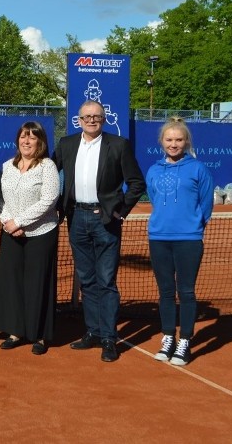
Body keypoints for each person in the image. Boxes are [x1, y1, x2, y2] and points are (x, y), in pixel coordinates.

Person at [52, 100, 145, 362]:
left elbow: (136, 183)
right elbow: (49, 173)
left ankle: (108, 338)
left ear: (103, 120)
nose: (92, 120)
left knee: (106, 281)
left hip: (105, 220)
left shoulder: (119, 145)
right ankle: (93, 331)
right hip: (76, 218)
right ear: (79, 120)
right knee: (87, 279)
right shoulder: (66, 144)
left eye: (97, 117)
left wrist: (120, 210)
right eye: (87, 117)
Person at [146, 117, 214, 366]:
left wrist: (192, 226)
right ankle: (168, 337)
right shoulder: (153, 170)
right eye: (169, 139)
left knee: (186, 291)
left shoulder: (198, 169)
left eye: (178, 139)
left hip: (189, 240)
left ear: (186, 142)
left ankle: (184, 340)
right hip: (159, 238)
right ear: (162, 142)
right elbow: (154, 198)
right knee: (165, 292)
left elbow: (206, 206)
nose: (173, 144)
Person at [0, 121, 60, 355]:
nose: (27, 141)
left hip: (41, 234)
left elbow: (49, 199)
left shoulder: (47, 166)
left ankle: (39, 335)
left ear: (40, 142)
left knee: (37, 284)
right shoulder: (8, 166)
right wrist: (9, 222)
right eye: (23, 137)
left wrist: (20, 221)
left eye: (32, 137)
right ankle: (15, 330)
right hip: (11, 232)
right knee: (12, 284)